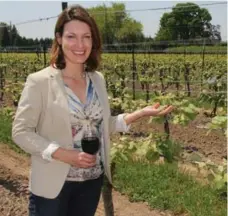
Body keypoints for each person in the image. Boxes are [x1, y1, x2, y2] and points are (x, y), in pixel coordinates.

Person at [12, 4, 173, 216]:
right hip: (52, 188)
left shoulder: (97, 80)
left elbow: (101, 125)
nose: (80, 44)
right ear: (59, 38)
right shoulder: (39, 81)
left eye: (86, 37)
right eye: (71, 36)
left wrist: (140, 114)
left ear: (93, 40)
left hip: (91, 183)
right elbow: (21, 132)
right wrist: (64, 154)